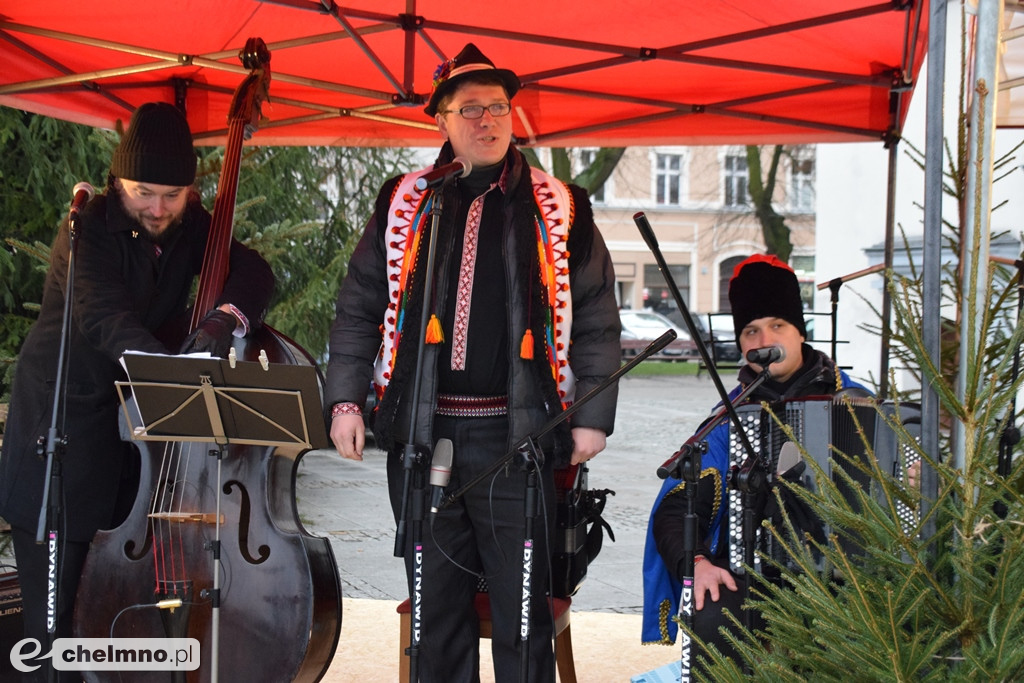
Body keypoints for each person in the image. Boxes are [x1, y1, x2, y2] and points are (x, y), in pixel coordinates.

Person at [326, 43, 621, 682]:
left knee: (521, 619)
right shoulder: (406, 201)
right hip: (423, 439)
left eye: (498, 107)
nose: (487, 120)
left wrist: (592, 417)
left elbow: (597, 315)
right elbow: (358, 308)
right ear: (441, 119)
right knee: (436, 621)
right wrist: (346, 400)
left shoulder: (561, 206)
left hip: (520, 438)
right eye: (470, 109)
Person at [0, 102, 274, 677]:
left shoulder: (187, 223)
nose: (157, 208)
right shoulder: (88, 229)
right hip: (62, 445)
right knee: (51, 639)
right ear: (117, 180)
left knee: (113, 627)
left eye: (173, 195)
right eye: (144, 191)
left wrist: (221, 323)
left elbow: (253, 272)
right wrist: (180, 370)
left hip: (133, 451)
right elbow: (108, 321)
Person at [641, 254, 869, 660]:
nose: (763, 342)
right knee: (711, 616)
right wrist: (697, 562)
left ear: (799, 333)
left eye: (776, 326)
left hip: (849, 578)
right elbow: (675, 509)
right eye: (751, 331)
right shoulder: (726, 419)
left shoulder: (855, 402)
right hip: (750, 577)